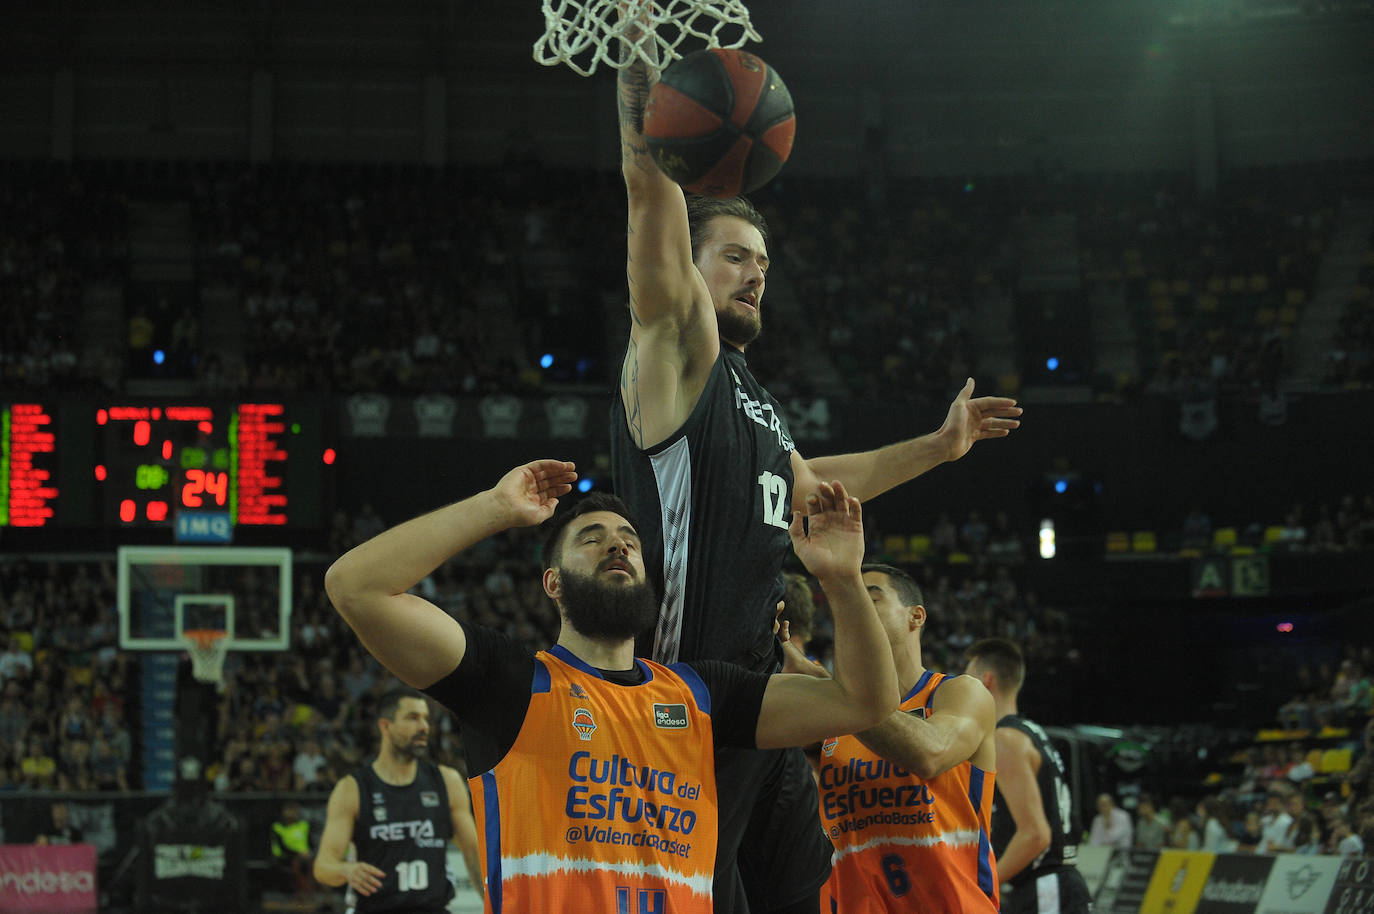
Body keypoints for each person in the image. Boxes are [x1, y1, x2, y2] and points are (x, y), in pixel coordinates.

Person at [610, 13, 1023, 912]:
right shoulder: (678, 348)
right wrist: (644, 65)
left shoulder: (750, 391)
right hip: (685, 696)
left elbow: (826, 484)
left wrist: (939, 448)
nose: (755, 275)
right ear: (690, 265)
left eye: (762, 262)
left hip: (759, 702)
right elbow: (649, 193)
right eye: (733, 259)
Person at [323, 459, 897, 912]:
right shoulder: (510, 684)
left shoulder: (703, 694)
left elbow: (865, 701)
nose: (617, 544)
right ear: (553, 582)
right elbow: (355, 587)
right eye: (591, 538)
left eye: (628, 538)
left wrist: (842, 580)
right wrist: (495, 508)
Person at [815, 564, 999, 913]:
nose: (854, 611)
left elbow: (931, 753)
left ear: (916, 616)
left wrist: (842, 701)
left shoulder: (958, 693)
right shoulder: (830, 719)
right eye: (844, 604)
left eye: (870, 598)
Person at [314, 688, 483, 913]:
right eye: (412, 718)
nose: (424, 727)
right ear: (385, 726)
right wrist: (347, 870)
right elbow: (323, 866)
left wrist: (497, 907)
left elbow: (474, 855)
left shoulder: (447, 781)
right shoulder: (352, 789)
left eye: (425, 719)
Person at [964, 637, 1093, 913]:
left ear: (986, 681)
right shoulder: (1032, 732)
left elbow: (1036, 835)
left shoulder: (1005, 739)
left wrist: (981, 888)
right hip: (1055, 884)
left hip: (1046, 886)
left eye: (967, 680)